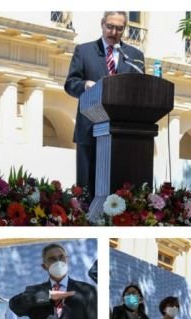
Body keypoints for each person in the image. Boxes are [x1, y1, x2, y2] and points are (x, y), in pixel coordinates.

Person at [64, 11, 145, 192]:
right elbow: (70, 84)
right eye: (110, 27)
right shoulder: (84, 51)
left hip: (123, 134)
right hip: (89, 130)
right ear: (102, 24)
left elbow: (141, 90)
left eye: (119, 28)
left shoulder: (134, 56)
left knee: (118, 190)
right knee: (87, 190)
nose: (114, 32)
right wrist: (85, 85)